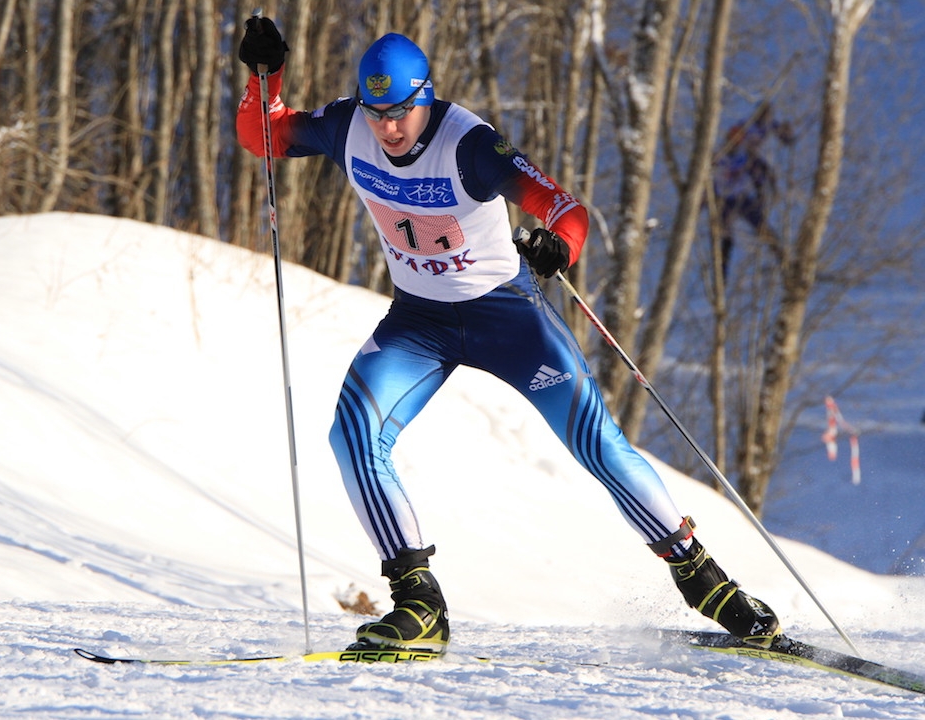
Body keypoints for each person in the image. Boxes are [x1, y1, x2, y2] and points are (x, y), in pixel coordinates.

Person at [235, 17, 781, 653]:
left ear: (427, 97)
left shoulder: (469, 144)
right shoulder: (348, 126)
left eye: (401, 112)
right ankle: (419, 605)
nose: (387, 127)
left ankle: (704, 581)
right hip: (421, 321)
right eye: (377, 112)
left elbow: (563, 207)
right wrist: (262, 80)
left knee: (595, 443)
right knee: (351, 432)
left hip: (508, 316)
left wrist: (559, 246)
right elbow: (266, 138)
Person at [713, 102, 795, 279]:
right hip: (725, 200)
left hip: (742, 199)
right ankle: (721, 273)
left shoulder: (746, 155)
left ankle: (783, 260)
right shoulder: (720, 156)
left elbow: (778, 133)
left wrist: (787, 136)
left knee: (761, 225)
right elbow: (710, 180)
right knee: (725, 236)